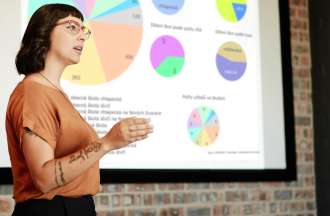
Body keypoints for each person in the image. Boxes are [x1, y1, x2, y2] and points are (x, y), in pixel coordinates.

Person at [5, 3, 153, 216]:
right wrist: (107, 142)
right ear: (43, 32)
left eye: (84, 30)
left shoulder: (53, 92)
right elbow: (45, 179)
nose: (82, 36)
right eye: (72, 27)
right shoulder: (33, 92)